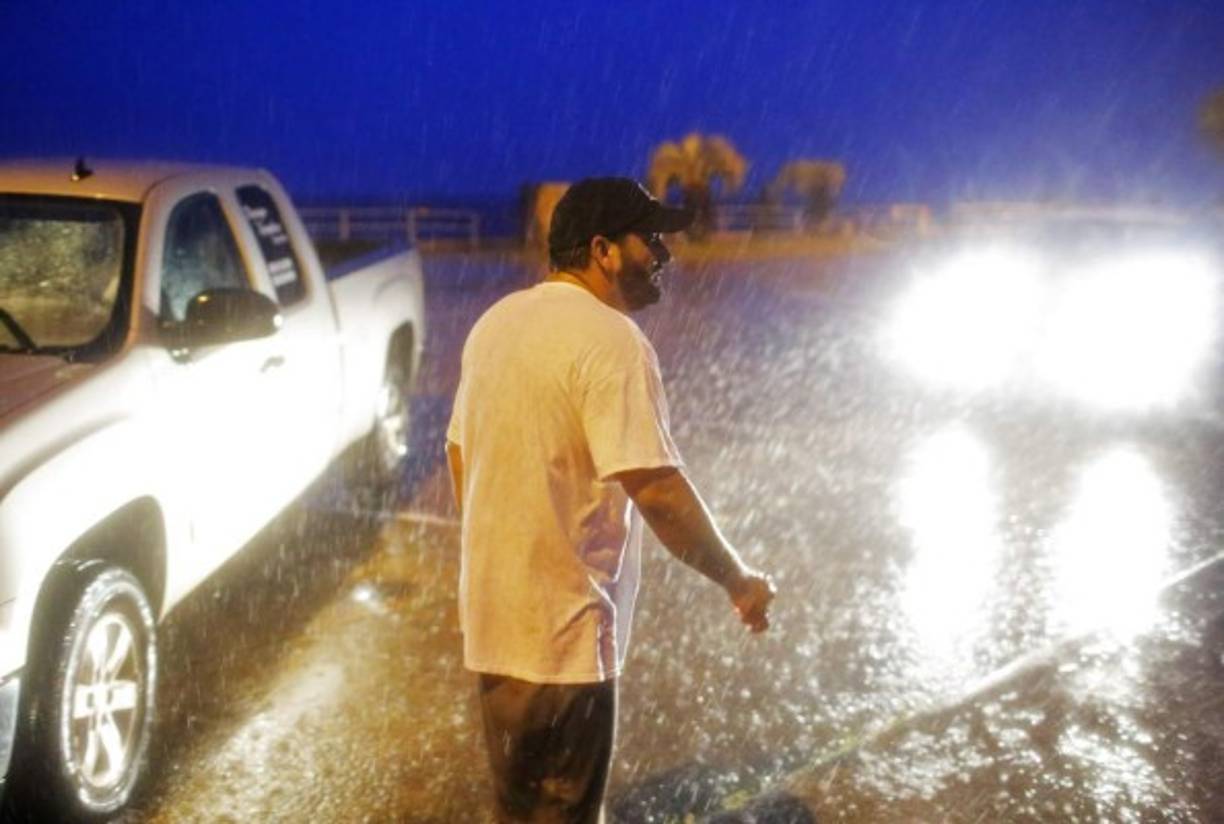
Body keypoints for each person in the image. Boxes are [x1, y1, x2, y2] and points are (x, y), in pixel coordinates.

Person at [445, 177, 776, 823]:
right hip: (565, 636)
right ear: (603, 250)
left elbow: (460, 453)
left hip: (493, 626)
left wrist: (504, 547)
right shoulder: (613, 341)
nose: (663, 255)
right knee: (566, 814)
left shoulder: (496, 323)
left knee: (517, 811)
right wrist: (736, 579)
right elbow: (656, 490)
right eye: (648, 239)